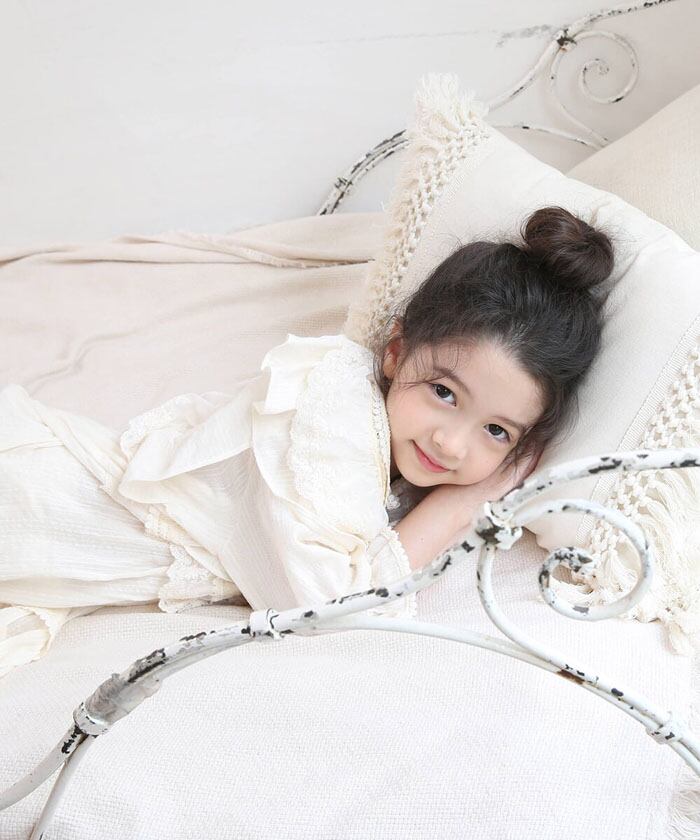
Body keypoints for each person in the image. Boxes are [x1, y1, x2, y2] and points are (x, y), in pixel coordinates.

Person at [0, 206, 614, 678]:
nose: (451, 443)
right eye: (444, 392)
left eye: (496, 431)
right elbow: (331, 610)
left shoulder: (393, 454)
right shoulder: (330, 409)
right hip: (43, 500)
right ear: (395, 351)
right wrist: (465, 501)